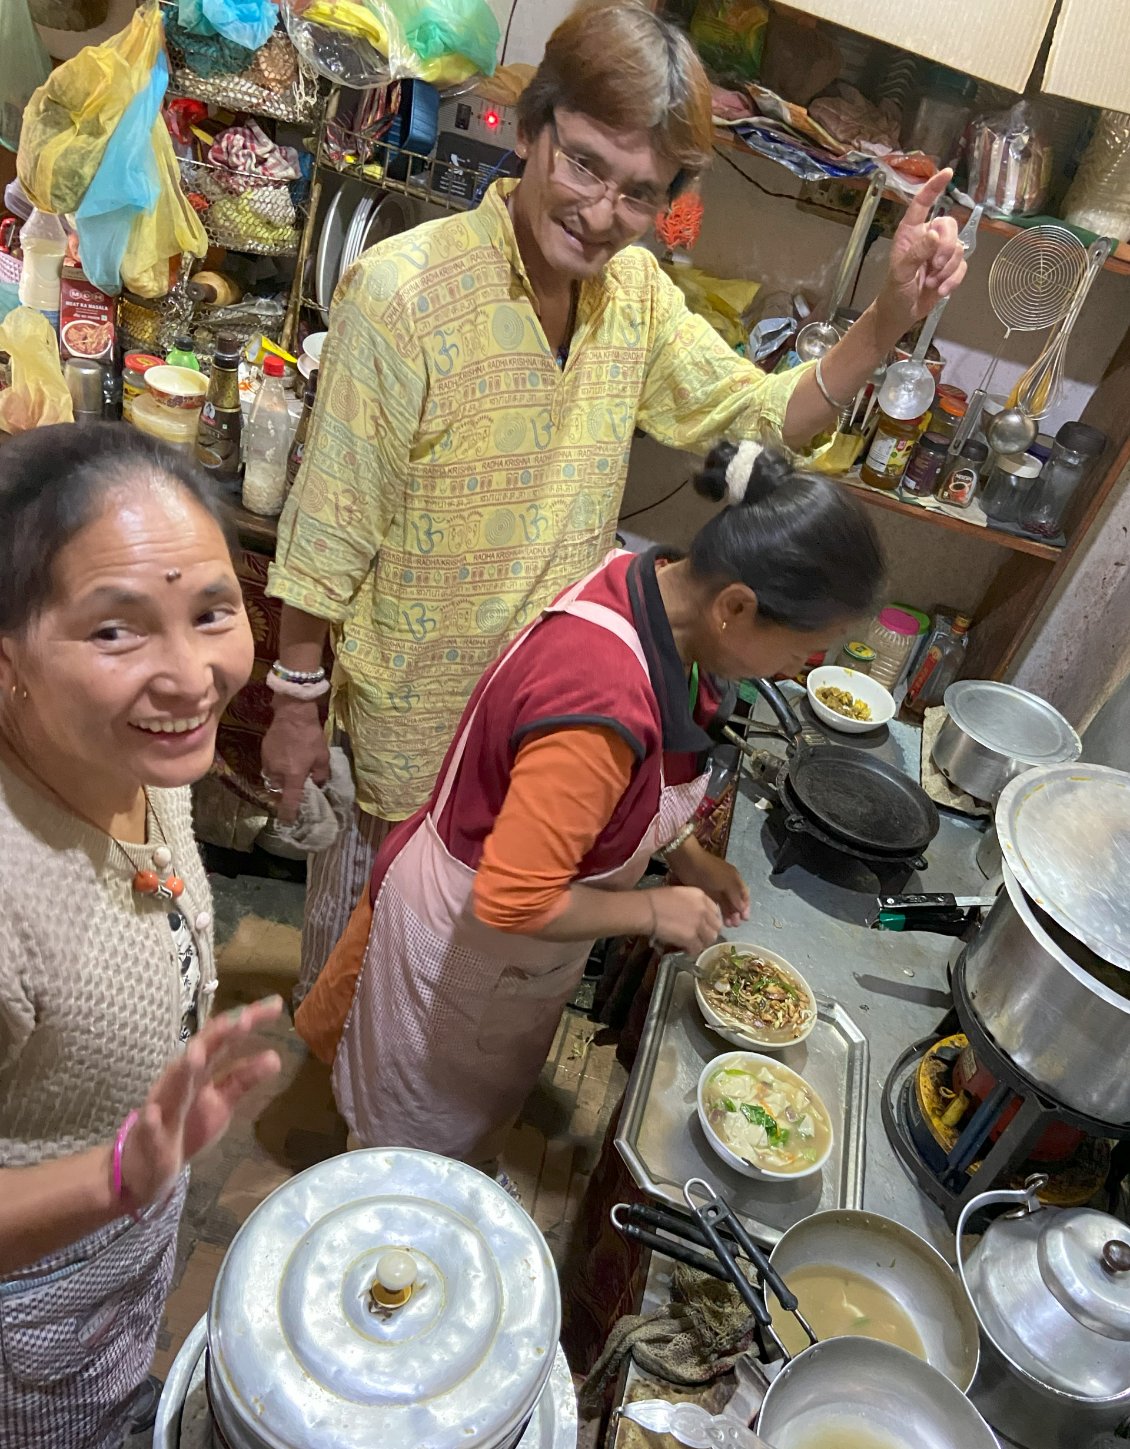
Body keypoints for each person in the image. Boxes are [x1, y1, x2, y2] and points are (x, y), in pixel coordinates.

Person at [264, 0, 968, 1003]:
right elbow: (329, 524)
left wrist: (892, 311)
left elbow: (760, 417)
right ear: (534, 125)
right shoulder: (403, 293)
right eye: (584, 163)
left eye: (638, 193)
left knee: (475, 961)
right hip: (420, 719)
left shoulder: (631, 295)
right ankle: (349, 1133)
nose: (600, 213)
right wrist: (294, 703)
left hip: (552, 717)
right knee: (381, 965)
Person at [295, 441, 885, 1165]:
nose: (801, 669)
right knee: (408, 1152)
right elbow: (512, 898)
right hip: (469, 945)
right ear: (736, 606)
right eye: (804, 648)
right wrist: (652, 909)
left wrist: (687, 856)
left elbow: (624, 792)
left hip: (516, 957)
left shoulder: (654, 588)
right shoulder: (597, 698)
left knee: (470, 1128)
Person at [0, 425, 283, 1449]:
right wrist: (115, 1178)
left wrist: (140, 1181)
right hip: (30, 1318)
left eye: (212, 611)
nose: (193, 674)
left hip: (122, 1240)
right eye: (116, 631)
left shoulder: (128, 756)